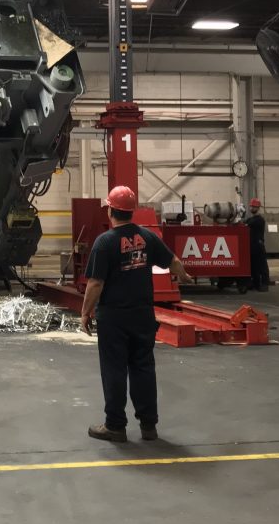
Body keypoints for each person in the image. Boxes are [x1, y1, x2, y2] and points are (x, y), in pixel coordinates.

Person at [81, 185, 194, 443]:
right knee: (143, 367)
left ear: (110, 210)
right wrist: (184, 275)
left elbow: (95, 283)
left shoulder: (105, 242)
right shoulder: (148, 238)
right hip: (142, 316)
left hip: (114, 319)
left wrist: (85, 313)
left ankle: (115, 426)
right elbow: (173, 261)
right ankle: (148, 426)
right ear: (132, 211)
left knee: (114, 370)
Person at [243, 197, 270, 292]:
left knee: (262, 266)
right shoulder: (251, 219)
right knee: (253, 266)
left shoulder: (259, 220)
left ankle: (265, 284)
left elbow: (247, 224)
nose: (251, 208)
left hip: (258, 246)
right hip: (252, 246)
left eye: (254, 207)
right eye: (251, 206)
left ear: (258, 208)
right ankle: (256, 283)